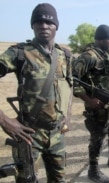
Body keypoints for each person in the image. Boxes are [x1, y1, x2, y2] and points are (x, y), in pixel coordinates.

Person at [0, 3, 73, 182]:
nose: (44, 26)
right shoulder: (19, 53)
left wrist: (68, 116)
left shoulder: (65, 55)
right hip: (30, 135)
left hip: (57, 134)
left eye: (49, 22)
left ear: (56, 26)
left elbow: (69, 88)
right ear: (32, 25)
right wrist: (4, 120)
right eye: (38, 22)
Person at [72, 24, 109, 183]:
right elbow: (72, 81)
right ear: (99, 39)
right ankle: (93, 170)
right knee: (98, 138)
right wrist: (88, 100)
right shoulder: (88, 57)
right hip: (96, 107)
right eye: (108, 39)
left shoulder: (107, 55)